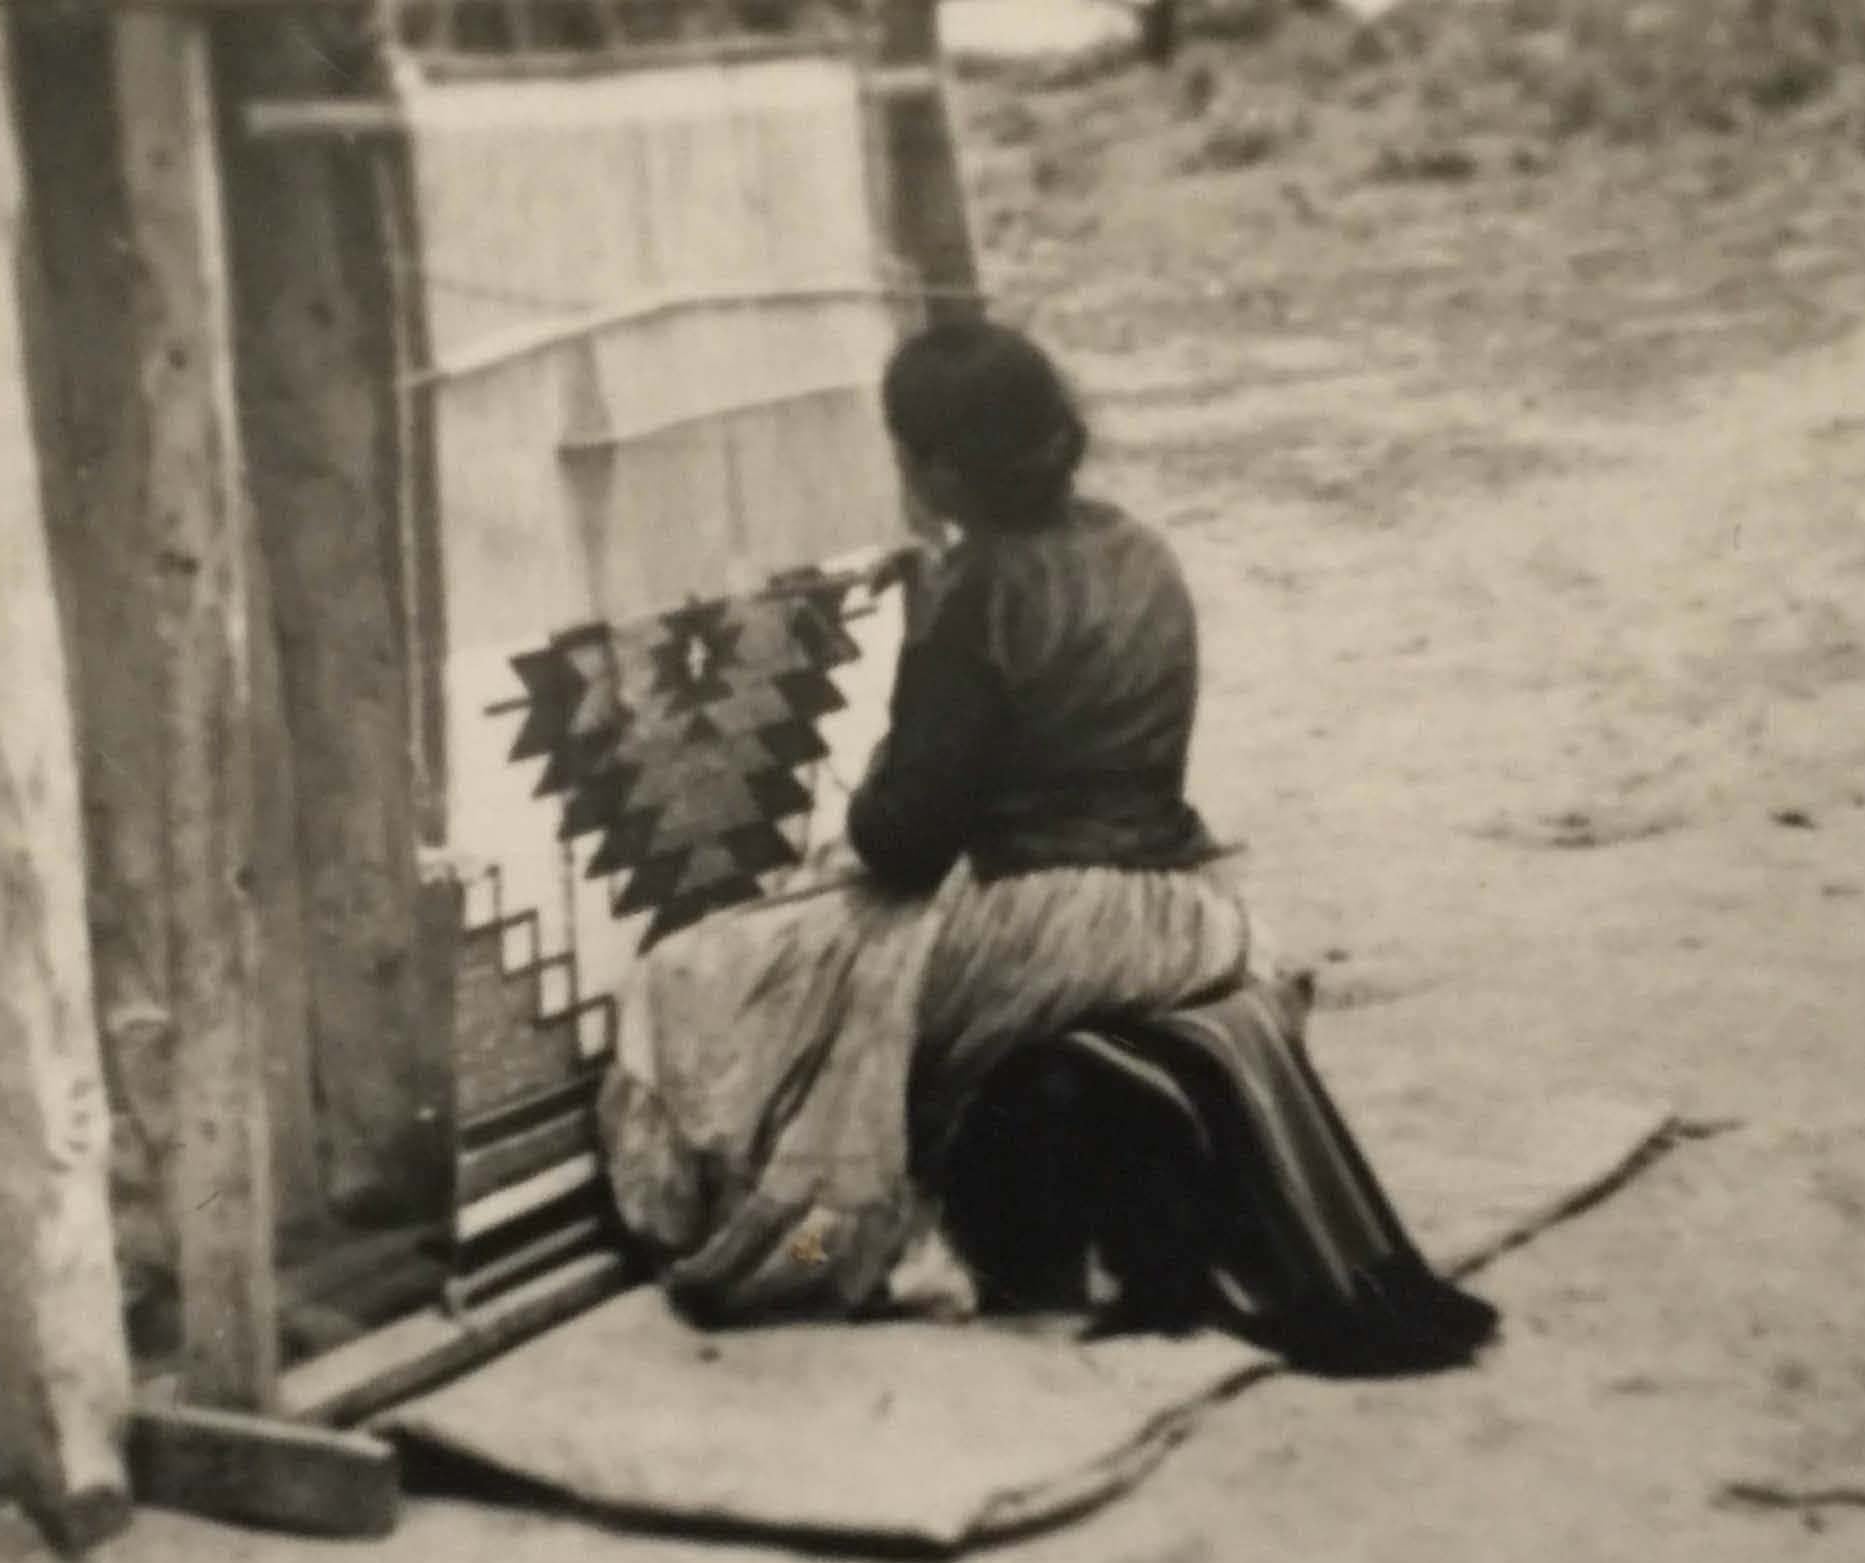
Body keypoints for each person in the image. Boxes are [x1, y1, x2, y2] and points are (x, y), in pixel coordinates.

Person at [597, 318, 1496, 1372]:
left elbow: (903, 842)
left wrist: (864, 790)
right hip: (1187, 907)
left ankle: (816, 1236)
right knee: (832, 976)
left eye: (905, 452)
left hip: (1054, 924)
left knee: (715, 980)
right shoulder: (1136, 547)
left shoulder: (972, 593)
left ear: (934, 464)